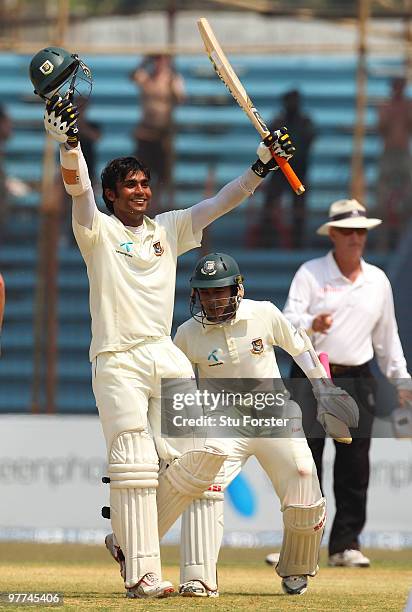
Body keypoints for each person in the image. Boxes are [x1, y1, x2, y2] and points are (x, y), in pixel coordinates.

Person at [42, 88, 295, 598]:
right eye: (129, 185)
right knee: (135, 459)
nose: (140, 191)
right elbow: (77, 189)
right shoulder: (97, 231)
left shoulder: (171, 229)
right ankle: (144, 575)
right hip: (116, 358)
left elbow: (223, 201)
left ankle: (195, 575)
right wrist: (70, 143)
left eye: (144, 183)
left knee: (205, 456)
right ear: (112, 195)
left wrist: (262, 165)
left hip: (162, 352)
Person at [171, 252, 359, 597]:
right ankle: (198, 578)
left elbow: (300, 347)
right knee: (203, 485)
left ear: (237, 289)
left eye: (220, 291)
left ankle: (297, 570)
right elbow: (175, 385)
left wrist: (323, 388)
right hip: (223, 421)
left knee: (304, 478)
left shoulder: (264, 313)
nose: (213, 301)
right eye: (206, 293)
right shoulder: (186, 334)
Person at [283, 197, 412, 567]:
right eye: (348, 232)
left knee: (354, 465)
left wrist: (401, 380)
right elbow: (287, 319)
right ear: (334, 235)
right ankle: (300, 543)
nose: (356, 238)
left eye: (360, 232)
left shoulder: (378, 281)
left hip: (356, 375)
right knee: (304, 463)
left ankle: (345, 544)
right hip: (311, 373)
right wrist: (311, 324)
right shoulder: (311, 273)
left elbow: (387, 339)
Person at [259, 89, 314, 249]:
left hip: (299, 171)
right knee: (270, 203)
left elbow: (310, 140)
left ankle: (298, 242)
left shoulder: (305, 122)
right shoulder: (278, 122)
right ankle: (266, 240)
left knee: (299, 208)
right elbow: (267, 141)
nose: (292, 105)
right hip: (279, 170)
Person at [130, 54, 185, 210]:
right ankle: (143, 206)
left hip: (162, 133)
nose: (159, 63)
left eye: (162, 59)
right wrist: (144, 60)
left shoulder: (172, 79)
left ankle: (160, 207)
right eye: (157, 59)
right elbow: (133, 76)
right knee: (142, 172)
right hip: (146, 131)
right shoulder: (146, 78)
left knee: (164, 175)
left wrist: (172, 81)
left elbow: (181, 98)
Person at [377, 76, 412, 250]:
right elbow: (382, 128)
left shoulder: (408, 106)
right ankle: (382, 243)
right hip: (389, 153)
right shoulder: (386, 106)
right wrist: (391, 116)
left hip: (403, 152)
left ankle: (405, 243)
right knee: (383, 200)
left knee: (407, 199)